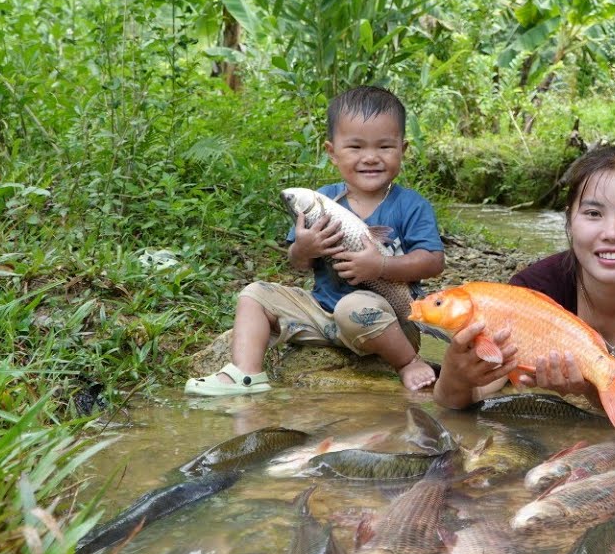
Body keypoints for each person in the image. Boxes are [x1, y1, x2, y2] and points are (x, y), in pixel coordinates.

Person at [185, 85, 444, 395]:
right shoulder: (323, 199)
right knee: (254, 295)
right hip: (323, 316)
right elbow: (298, 262)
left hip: (383, 323)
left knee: (354, 307)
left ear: (403, 149)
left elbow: (433, 261)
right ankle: (246, 374)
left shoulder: (411, 205)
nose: (371, 158)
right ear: (332, 152)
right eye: (356, 147)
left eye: (385, 147)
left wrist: (381, 266)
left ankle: (407, 363)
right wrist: (305, 248)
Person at [432, 145, 615, 411]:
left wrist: (587, 388)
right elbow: (468, 397)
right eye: (593, 213)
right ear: (570, 221)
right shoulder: (531, 290)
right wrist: (456, 375)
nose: (612, 232)